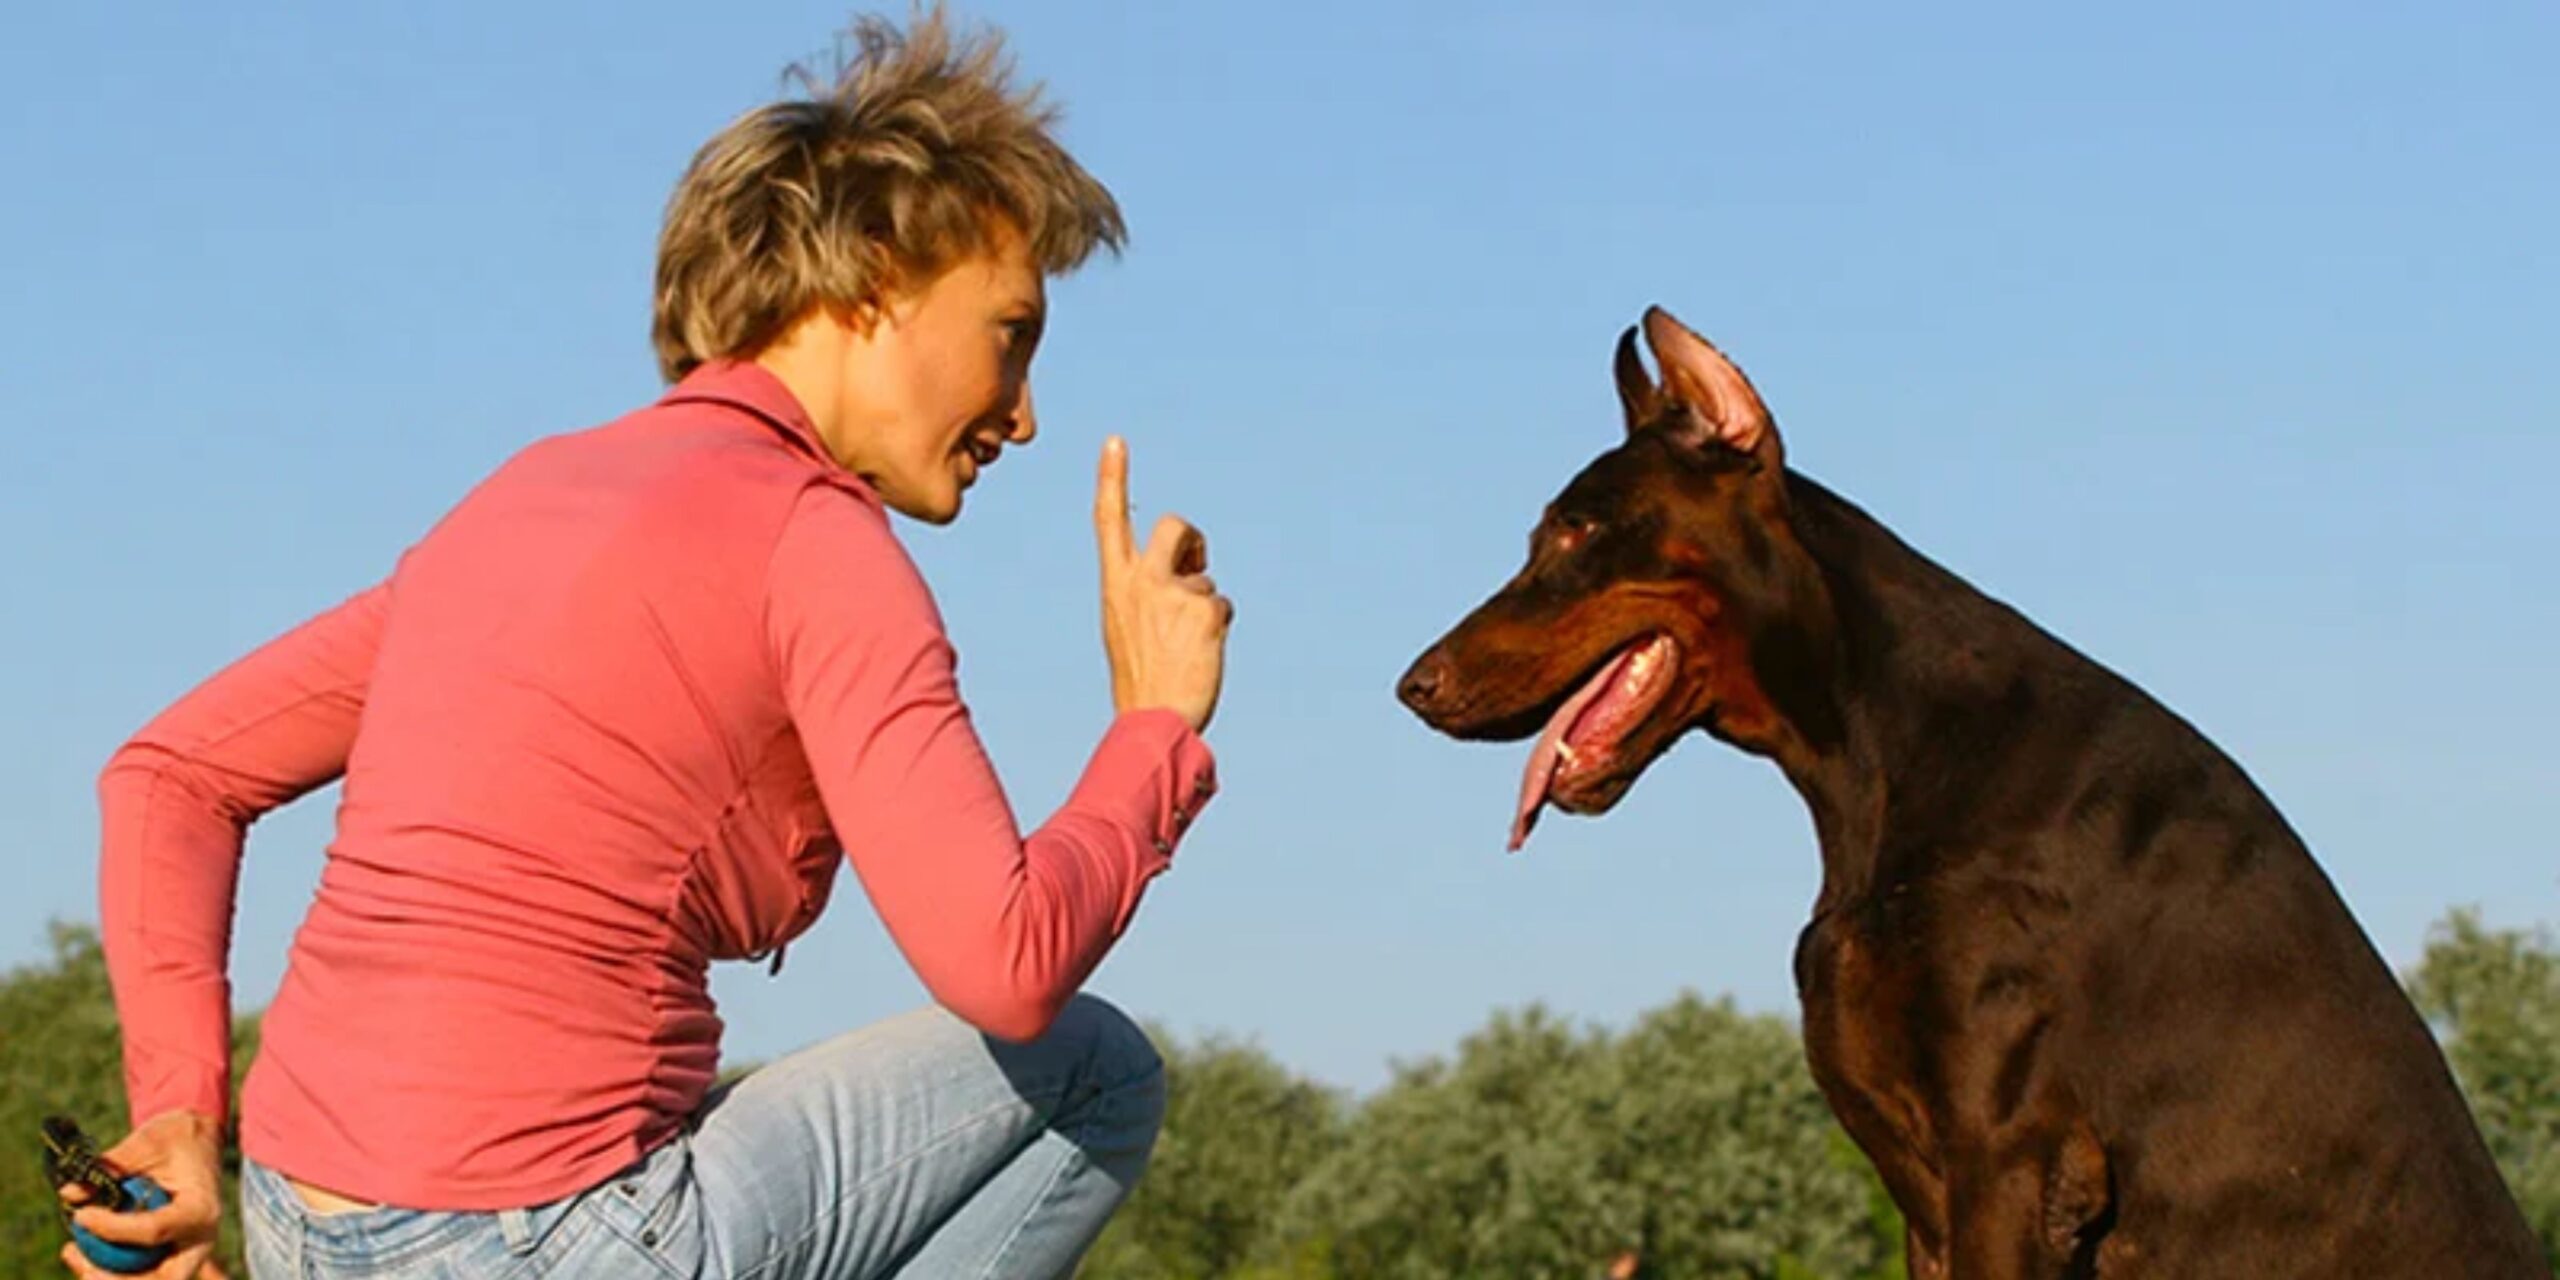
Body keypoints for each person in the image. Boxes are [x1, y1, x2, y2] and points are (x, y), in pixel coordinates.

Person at [60, 11, 1231, 1278]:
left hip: (303, 1214)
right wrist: (1152, 729)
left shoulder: (518, 499)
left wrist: (181, 1110)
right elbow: (1006, 968)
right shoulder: (817, 541)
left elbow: (171, 772)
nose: (1025, 412)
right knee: (1093, 1068)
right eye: (1012, 332)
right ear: (879, 278)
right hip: (548, 1235)